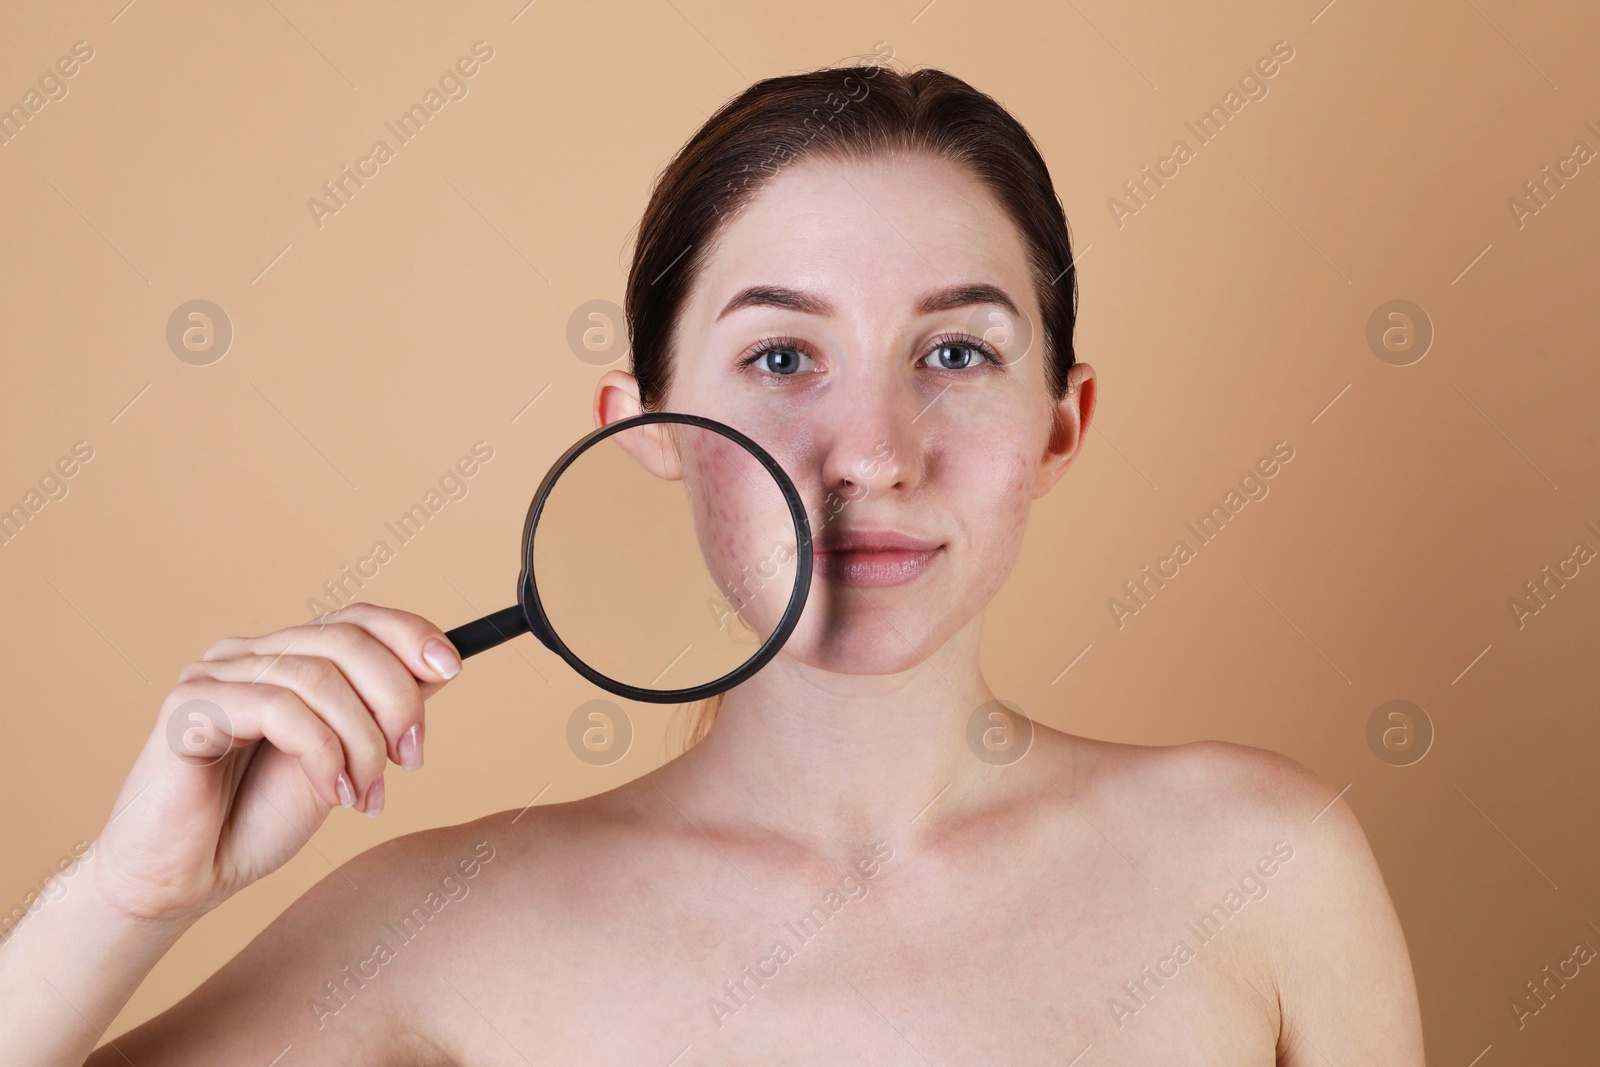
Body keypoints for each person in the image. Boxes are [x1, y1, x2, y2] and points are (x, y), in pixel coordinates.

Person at [1, 60, 1424, 1065]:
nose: (870, 451)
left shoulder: (1264, 868)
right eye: (783, 356)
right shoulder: (445, 924)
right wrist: (123, 903)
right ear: (648, 429)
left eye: (957, 352)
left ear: (1061, 426)